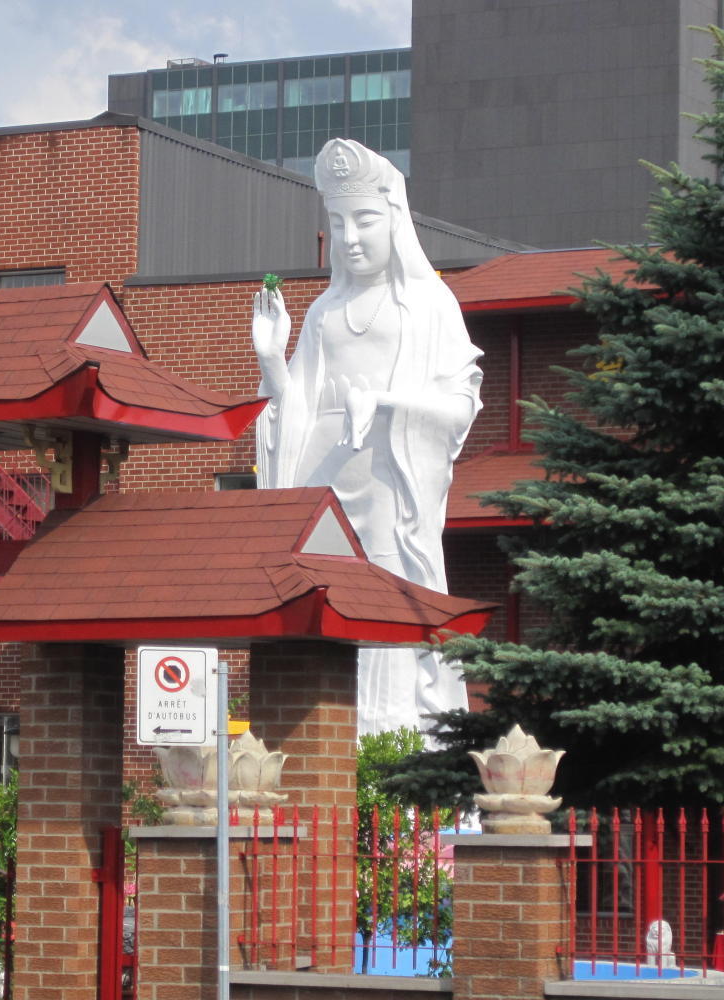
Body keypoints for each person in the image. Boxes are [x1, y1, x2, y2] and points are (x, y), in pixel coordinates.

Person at [251, 137, 483, 735]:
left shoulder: (428, 304)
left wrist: (383, 403)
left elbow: (459, 406)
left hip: (388, 473)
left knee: (383, 592)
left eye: (365, 220)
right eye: (338, 223)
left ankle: (388, 734)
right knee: (318, 586)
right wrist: (272, 359)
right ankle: (312, 728)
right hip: (321, 470)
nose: (350, 237)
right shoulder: (324, 311)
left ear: (394, 220)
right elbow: (293, 406)